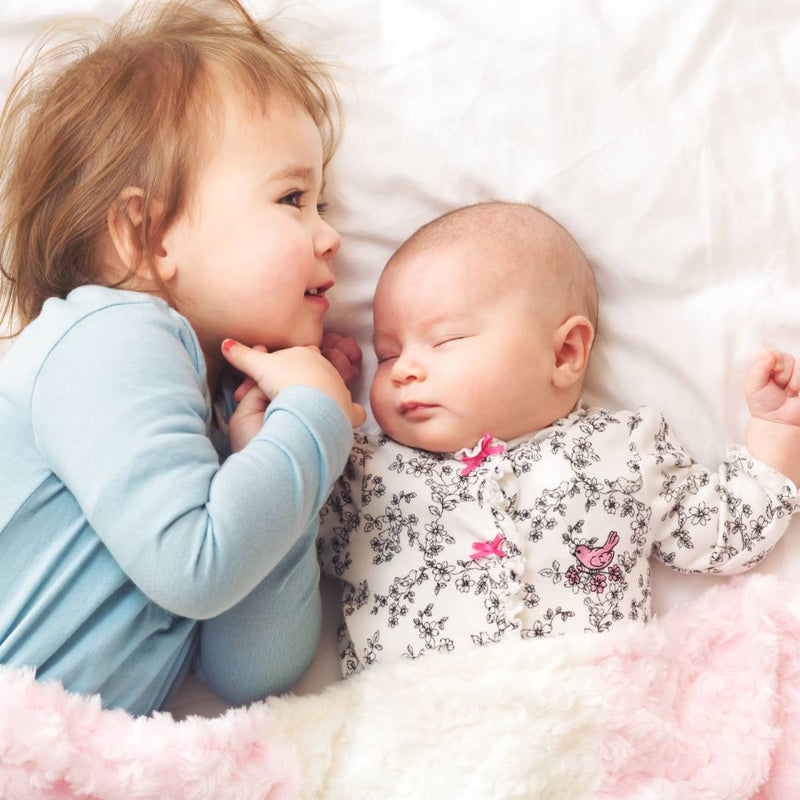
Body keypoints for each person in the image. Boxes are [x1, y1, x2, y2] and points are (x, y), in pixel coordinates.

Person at [0, 0, 365, 715]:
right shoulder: (107, 337)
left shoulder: (208, 409)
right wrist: (319, 420)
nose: (331, 239)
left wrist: (275, 455)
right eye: (294, 198)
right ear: (147, 233)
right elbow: (194, 570)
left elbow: (252, 671)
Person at [318, 201, 800, 675]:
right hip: (417, 726)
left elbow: (723, 533)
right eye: (386, 354)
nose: (404, 370)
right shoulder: (366, 474)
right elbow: (284, 535)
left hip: (586, 715)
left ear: (564, 354)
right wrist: (319, 412)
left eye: (445, 341)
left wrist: (777, 430)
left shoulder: (625, 452)